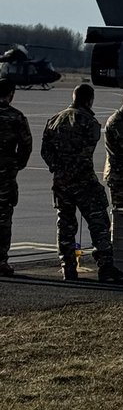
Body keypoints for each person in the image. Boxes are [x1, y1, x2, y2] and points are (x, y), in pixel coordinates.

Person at [41, 83, 123, 282]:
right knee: (99, 223)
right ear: (89, 100)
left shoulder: (54, 120)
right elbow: (89, 146)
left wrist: (58, 167)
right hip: (84, 180)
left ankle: (68, 267)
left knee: (65, 224)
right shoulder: (89, 121)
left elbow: (45, 151)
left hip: (61, 181)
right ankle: (105, 266)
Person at [0, 77, 32, 277]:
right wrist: (17, 164)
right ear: (11, 93)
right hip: (5, 174)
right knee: (3, 219)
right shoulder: (16, 117)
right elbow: (26, 145)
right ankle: (1, 260)